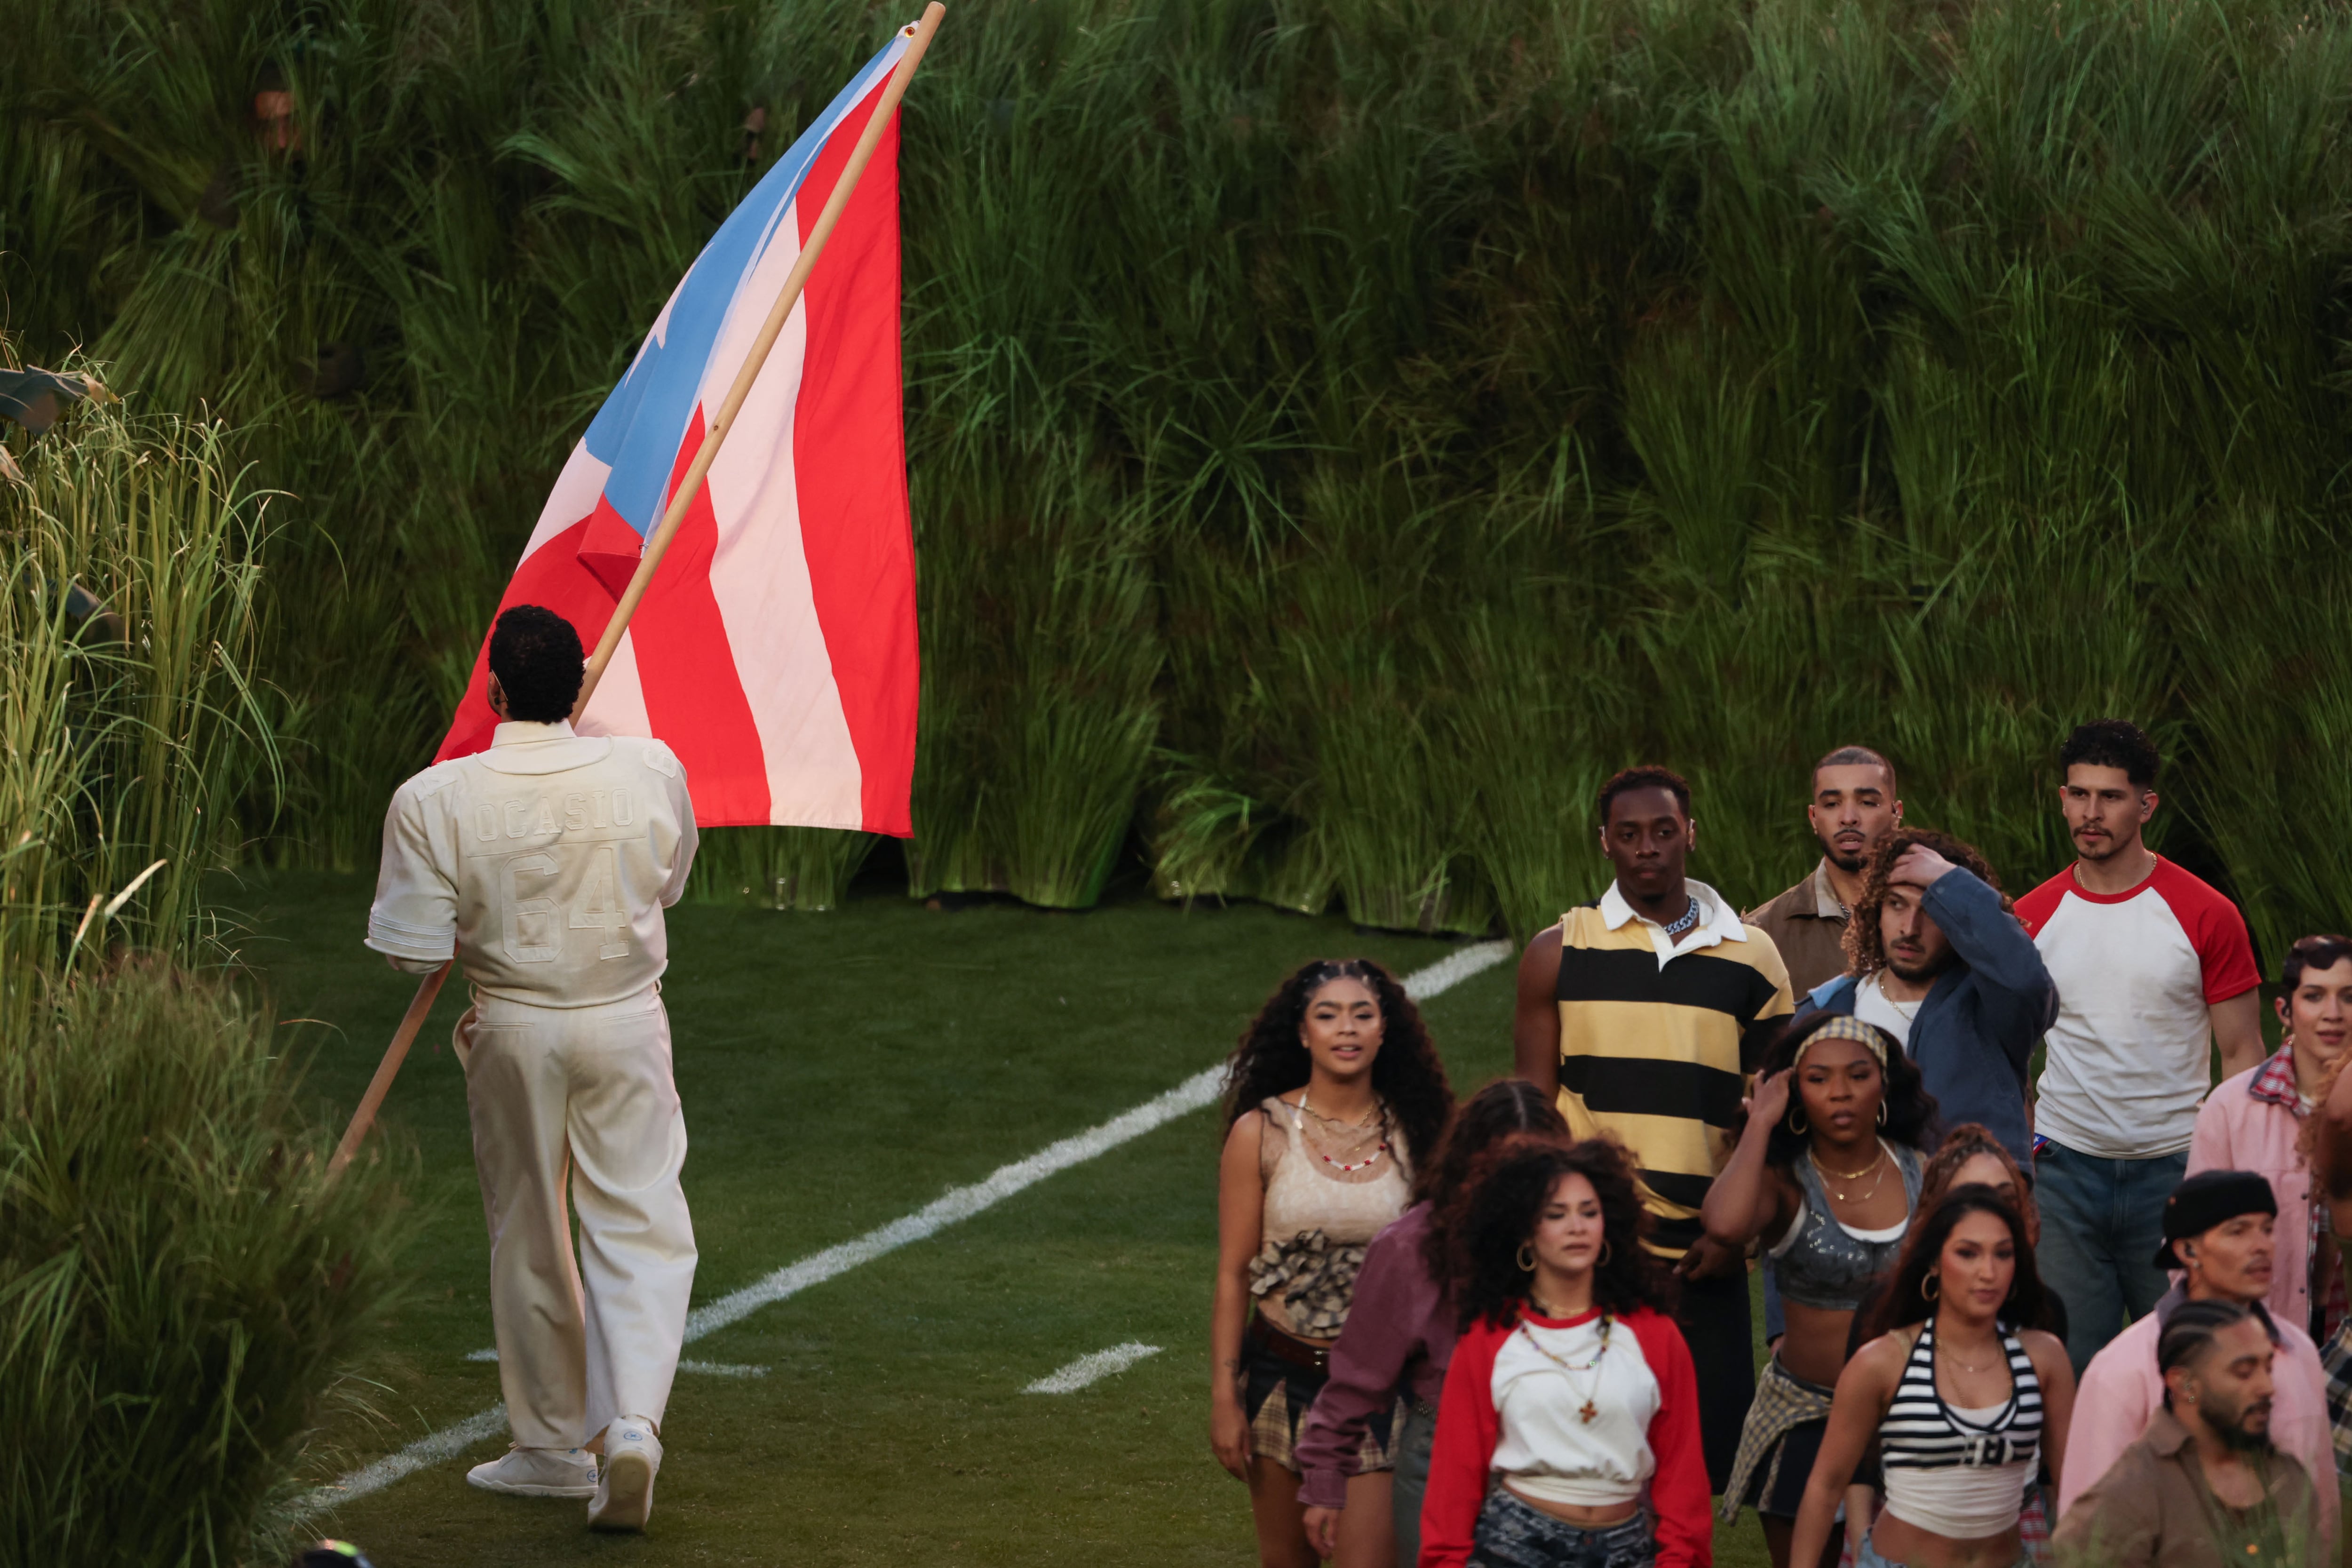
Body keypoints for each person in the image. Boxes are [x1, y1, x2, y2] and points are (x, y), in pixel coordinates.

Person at [364, 605, 698, 1532]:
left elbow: (413, 950)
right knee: (641, 1216)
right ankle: (631, 1424)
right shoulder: (651, 768)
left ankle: (552, 1446)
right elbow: (668, 881)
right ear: (579, 684)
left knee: (528, 1226)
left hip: (513, 1028)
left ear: (495, 689)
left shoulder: (433, 798)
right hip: (626, 1018)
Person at [1513, 764, 1796, 1489]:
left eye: (1664, 831)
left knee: (1696, 1467)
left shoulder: (1754, 957)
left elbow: (1772, 1123)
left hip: (1705, 1258)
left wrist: (1737, 1239)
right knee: (1585, 1463)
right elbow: (1534, 1119)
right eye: (1630, 834)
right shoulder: (1558, 950)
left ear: (1690, 836)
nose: (1648, 848)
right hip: (1591, 1257)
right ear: (1604, 841)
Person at [2018, 719, 2264, 1372]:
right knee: (2067, 1368)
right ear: (2063, 797)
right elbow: (2002, 1048)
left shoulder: (2207, 912)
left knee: (2195, 1365)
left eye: (2110, 797)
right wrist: (2029, 1138)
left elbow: (2242, 1054)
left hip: (2177, 1170)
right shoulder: (2031, 917)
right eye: (2078, 794)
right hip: (2064, 1176)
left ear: (2146, 805)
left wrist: (2223, 1170)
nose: (2090, 813)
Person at [1213, 958, 1455, 1568]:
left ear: (1383, 1031)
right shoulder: (1259, 1132)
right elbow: (1234, 1272)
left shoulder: (1424, 1135)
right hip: (1278, 1377)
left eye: (1362, 1014)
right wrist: (1224, 1393)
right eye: (1328, 1015)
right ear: (1303, 1033)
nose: (1346, 1029)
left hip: (1378, 1391)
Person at [1298, 1081, 1570, 1568]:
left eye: (1539, 1167)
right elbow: (1357, 1375)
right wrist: (1325, 1480)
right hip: (1445, 1461)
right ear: (1470, 1164)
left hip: (1565, 1454)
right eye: (1506, 1166)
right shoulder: (1409, 1247)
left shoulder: (1582, 1240)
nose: (1522, 1184)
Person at [1705, 1015, 1936, 1568]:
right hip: (1804, 1415)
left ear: (1883, 1085)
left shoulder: (1922, 1172)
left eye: (1857, 1076)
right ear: (1793, 1090)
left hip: (1905, 1414)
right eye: (1817, 1078)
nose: (1839, 1092)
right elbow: (1723, 1226)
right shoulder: (1783, 1181)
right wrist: (1759, 1122)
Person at [1421, 1135, 1710, 1568]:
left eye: (1589, 1212)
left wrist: (1680, 1560)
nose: (1578, 1227)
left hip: (1627, 1548)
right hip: (1516, 1546)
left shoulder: (1655, 1334)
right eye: (1556, 1215)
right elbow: (1455, 1478)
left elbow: (1683, 1473)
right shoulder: (1488, 1339)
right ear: (1524, 1232)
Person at [1788, 1186, 2077, 1568]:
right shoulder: (1883, 1362)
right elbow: (1824, 1487)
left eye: (2003, 1254)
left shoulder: (2045, 1358)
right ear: (1934, 1262)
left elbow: (2074, 1486)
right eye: (1968, 1253)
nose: (1988, 1272)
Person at [2059, 1171, 2338, 1553]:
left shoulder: (2299, 1352)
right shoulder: (2123, 1369)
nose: (2262, 1247)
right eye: (2238, 1232)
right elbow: (2090, 1540)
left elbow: (2322, 1511)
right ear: (2187, 1251)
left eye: (2268, 1229)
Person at [1806, 831, 2055, 1167]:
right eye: (1896, 904)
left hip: (1969, 1210)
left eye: (1931, 910)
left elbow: (2026, 981)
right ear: (1875, 911)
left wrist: (1949, 881)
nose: (1910, 928)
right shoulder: (1827, 1009)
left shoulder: (1991, 1010)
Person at [2052, 1299, 2320, 1568]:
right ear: (2185, 1384)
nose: (2266, 1387)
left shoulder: (2288, 1477)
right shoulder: (2134, 1493)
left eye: (2268, 1369)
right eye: (2244, 1372)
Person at [2192, 936, 2352, 1342]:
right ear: (2284, 1010)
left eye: (2349, 997)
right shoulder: (2230, 1108)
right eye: (2314, 996)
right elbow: (2192, 1245)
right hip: (2261, 1338)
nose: (2333, 1014)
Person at [1749, 746, 1906, 997]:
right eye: (1832, 804)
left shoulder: (1936, 915)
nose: (1848, 818)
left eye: (1867, 802)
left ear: (1895, 813)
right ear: (1813, 818)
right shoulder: (1766, 932)